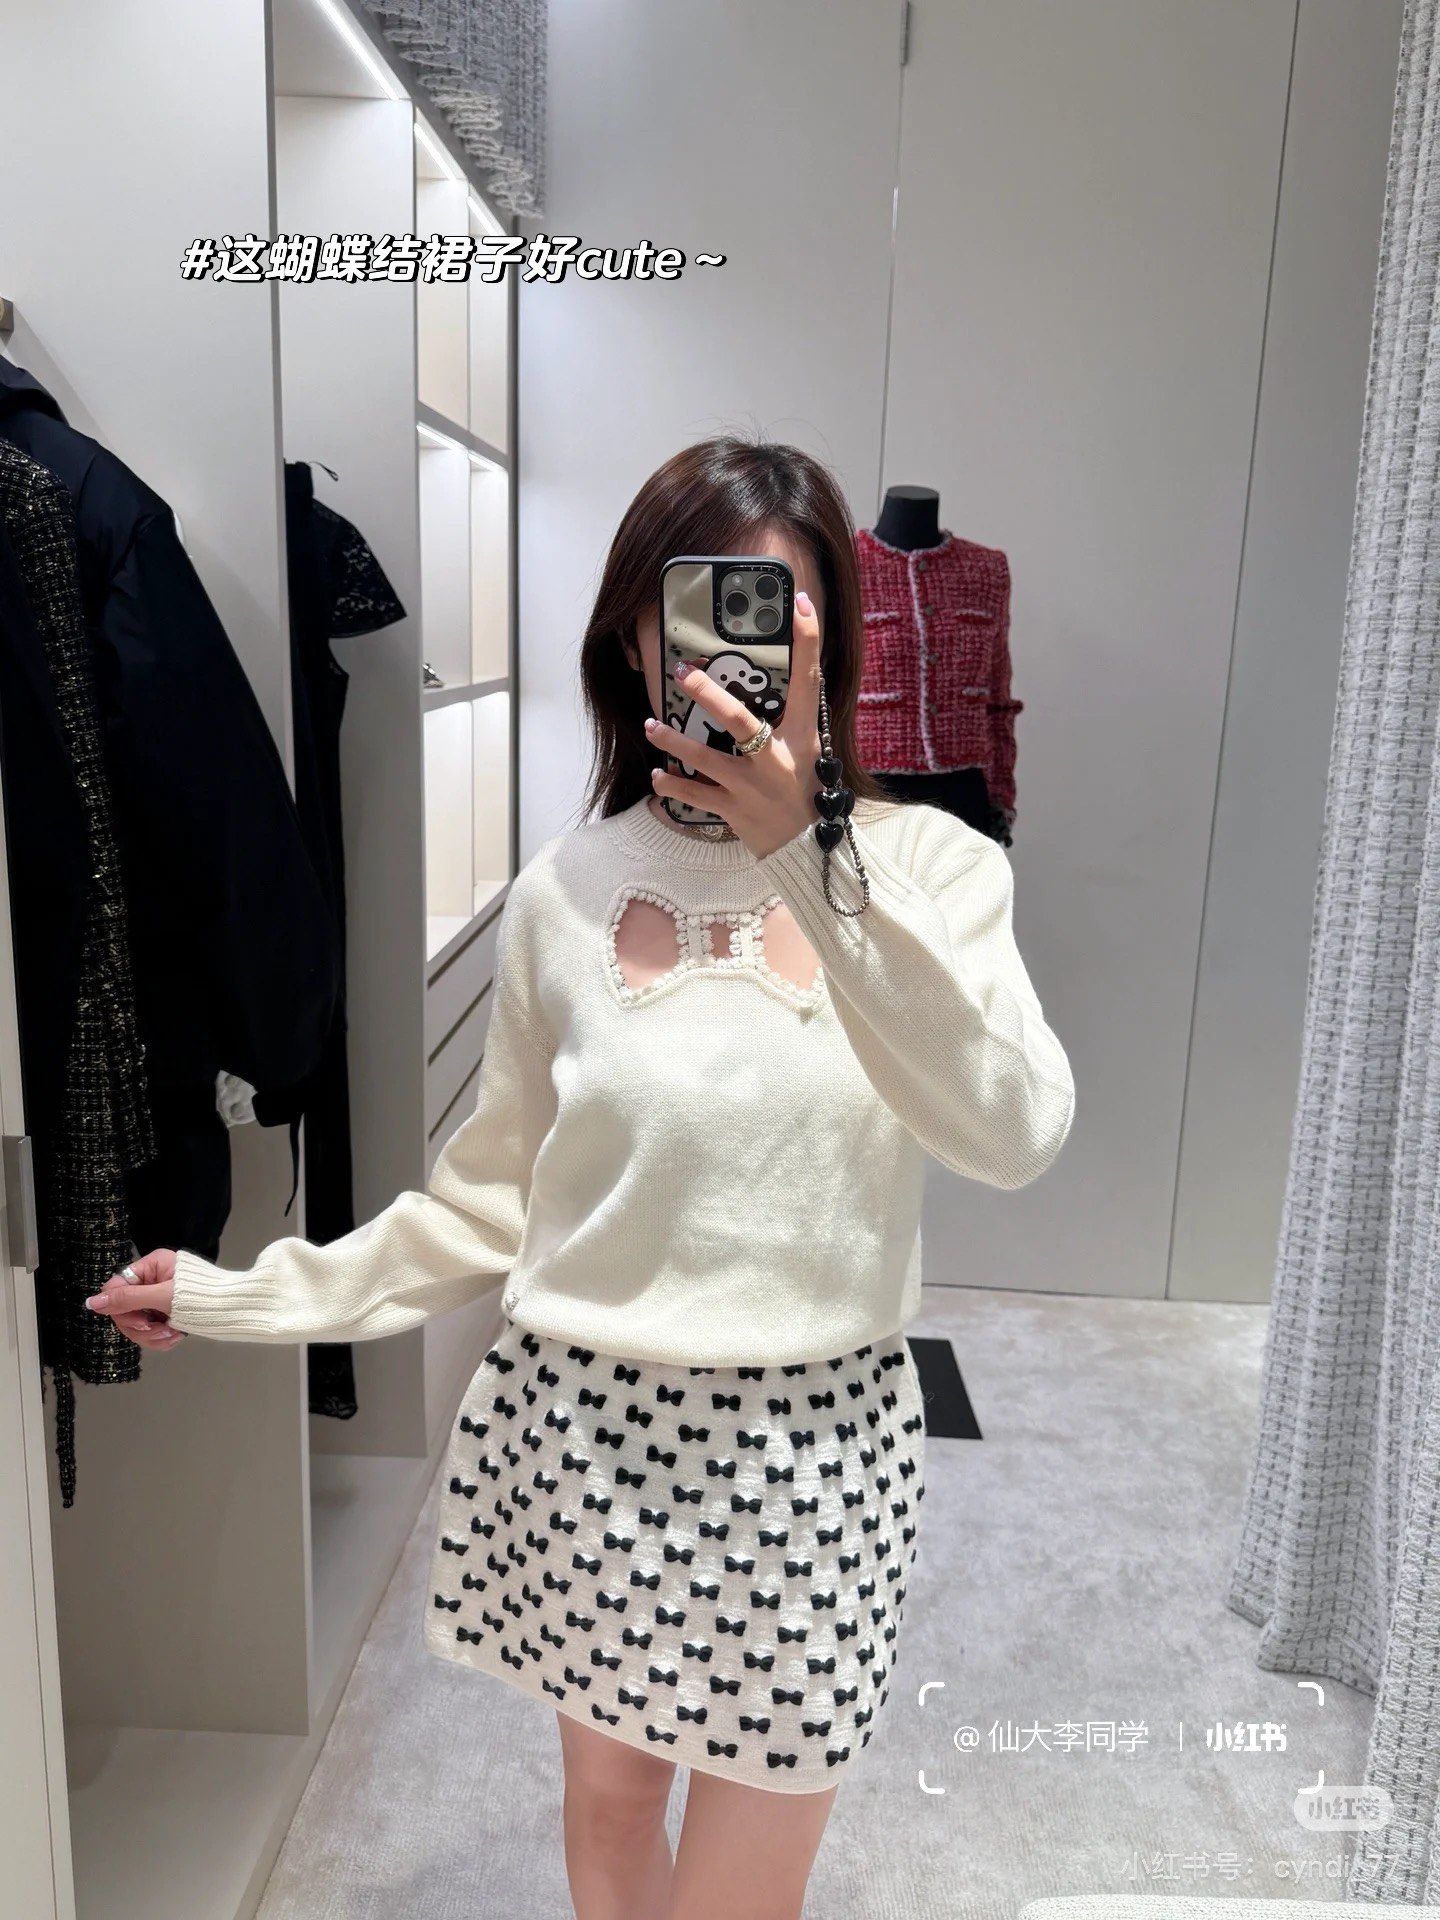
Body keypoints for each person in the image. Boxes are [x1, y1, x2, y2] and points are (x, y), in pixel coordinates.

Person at [86, 435, 1076, 1920]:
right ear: (633, 637)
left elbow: (1013, 1133)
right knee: (610, 1823)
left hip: (815, 1458)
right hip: (590, 1438)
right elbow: (488, 1204)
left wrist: (806, 852)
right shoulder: (566, 891)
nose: (732, 655)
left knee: (744, 1892)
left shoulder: (935, 871)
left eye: (776, 612)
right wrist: (247, 1296)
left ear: (828, 645)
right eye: (696, 609)